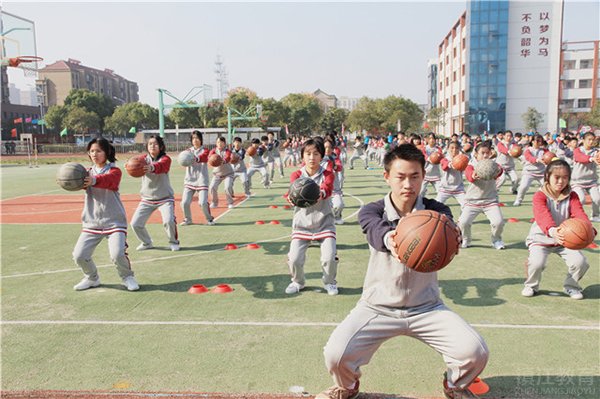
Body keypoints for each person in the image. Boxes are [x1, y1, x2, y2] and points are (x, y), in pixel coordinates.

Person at [316, 144, 488, 399]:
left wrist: (454, 236)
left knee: (475, 352)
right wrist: (393, 240)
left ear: (423, 175)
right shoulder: (371, 210)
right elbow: (376, 231)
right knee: (335, 355)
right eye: (401, 176)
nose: (408, 184)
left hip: (427, 307)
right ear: (387, 177)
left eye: (414, 176)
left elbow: (449, 228)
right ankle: (348, 386)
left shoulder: (437, 212)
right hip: (377, 306)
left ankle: (454, 385)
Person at [522, 159, 595, 299]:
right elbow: (542, 215)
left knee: (580, 263)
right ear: (547, 177)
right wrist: (552, 230)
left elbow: (579, 213)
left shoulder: (571, 195)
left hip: (565, 237)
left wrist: (588, 229)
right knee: (536, 263)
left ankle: (571, 287)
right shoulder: (540, 195)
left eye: (565, 178)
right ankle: (531, 285)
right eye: (557, 177)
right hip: (541, 237)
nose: (561, 181)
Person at [72, 138, 139, 291]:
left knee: (117, 254)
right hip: (92, 222)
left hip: (114, 221)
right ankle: (92, 278)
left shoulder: (114, 171)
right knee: (79, 255)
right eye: (92, 151)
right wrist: (69, 180)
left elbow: (110, 182)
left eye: (99, 151)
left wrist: (93, 180)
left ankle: (127, 277)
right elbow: (75, 182)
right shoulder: (85, 173)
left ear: (107, 152)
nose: (95, 154)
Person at [285, 138, 338, 296]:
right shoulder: (296, 175)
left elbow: (326, 190)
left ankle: (330, 282)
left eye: (316, 154)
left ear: (321, 157)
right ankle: (298, 282)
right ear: (302, 156)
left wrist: (316, 194)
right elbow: (292, 192)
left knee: (329, 258)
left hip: (324, 222)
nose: (312, 157)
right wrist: (290, 197)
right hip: (302, 224)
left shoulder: (328, 174)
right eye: (308, 153)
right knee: (294, 259)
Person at [131, 135, 180, 251]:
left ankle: (174, 242)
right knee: (135, 223)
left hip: (165, 198)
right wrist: (130, 166)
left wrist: (151, 168)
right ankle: (147, 242)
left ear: (161, 146)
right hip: (147, 199)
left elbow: (162, 166)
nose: (152, 146)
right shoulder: (142, 160)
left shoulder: (166, 159)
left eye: (155, 144)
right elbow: (134, 164)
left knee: (168, 221)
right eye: (150, 144)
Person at [458, 140, 506, 250]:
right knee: (463, 222)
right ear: (476, 154)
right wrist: (474, 175)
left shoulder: (492, 164)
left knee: (498, 222)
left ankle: (496, 239)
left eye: (487, 153)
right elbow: (469, 175)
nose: (485, 155)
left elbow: (500, 170)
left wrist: (497, 171)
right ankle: (466, 239)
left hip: (490, 201)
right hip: (472, 201)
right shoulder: (471, 165)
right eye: (482, 153)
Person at [180, 130, 214, 226]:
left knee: (202, 203)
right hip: (189, 180)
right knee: (184, 203)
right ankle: (188, 219)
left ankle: (209, 219)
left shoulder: (205, 150)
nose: (195, 140)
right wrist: (183, 160)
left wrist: (195, 158)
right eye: (193, 138)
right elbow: (182, 160)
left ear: (201, 139)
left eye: (197, 138)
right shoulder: (187, 151)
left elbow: (204, 157)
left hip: (202, 181)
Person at [571, 132, 600, 222]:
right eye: (589, 139)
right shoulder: (577, 150)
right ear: (583, 140)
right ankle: (576, 215)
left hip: (592, 181)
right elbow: (580, 158)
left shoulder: (596, 151)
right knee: (581, 199)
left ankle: (595, 215)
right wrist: (591, 159)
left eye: (593, 139)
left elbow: (597, 157)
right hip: (577, 181)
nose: (591, 142)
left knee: (597, 198)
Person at [513, 134, 548, 206]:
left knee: (548, 187)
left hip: (541, 172)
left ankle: (548, 202)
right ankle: (518, 200)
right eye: (537, 141)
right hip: (529, 172)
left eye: (541, 141)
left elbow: (550, 156)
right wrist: (537, 160)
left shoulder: (545, 150)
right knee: (523, 187)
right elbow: (529, 157)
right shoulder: (528, 150)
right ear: (532, 141)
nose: (539, 143)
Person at [435, 141, 466, 207]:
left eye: (456, 148)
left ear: (459, 149)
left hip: (458, 188)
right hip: (445, 188)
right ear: (448, 149)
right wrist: (450, 164)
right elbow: (444, 166)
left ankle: (462, 217)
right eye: (452, 148)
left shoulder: (462, 159)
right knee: (435, 206)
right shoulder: (444, 159)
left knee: (466, 206)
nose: (454, 150)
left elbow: (467, 169)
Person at [208, 136, 235, 209]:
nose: (219, 144)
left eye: (221, 142)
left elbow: (228, 157)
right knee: (212, 187)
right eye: (218, 142)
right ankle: (214, 202)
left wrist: (223, 161)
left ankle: (230, 203)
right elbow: (210, 157)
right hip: (217, 174)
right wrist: (212, 160)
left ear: (224, 143)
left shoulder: (227, 151)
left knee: (227, 187)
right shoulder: (213, 151)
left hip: (228, 174)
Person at [494, 130, 519, 194]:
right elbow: (502, 150)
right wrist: (509, 152)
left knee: (516, 179)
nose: (509, 137)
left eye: (510, 136)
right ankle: (495, 190)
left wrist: (518, 153)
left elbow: (517, 151)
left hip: (510, 166)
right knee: (502, 179)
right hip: (501, 166)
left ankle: (513, 189)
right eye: (507, 136)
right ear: (504, 136)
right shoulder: (500, 143)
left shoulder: (513, 144)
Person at [420, 132, 443, 197]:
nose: (431, 140)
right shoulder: (424, 148)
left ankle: (439, 205)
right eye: (430, 138)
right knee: (421, 192)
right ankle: (419, 204)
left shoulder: (438, 149)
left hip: (435, 174)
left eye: (433, 138)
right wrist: (430, 158)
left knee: (440, 191)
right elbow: (424, 155)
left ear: (435, 140)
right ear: (427, 140)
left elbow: (441, 156)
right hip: (425, 173)